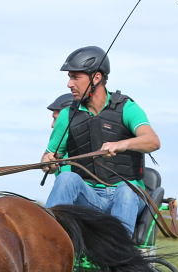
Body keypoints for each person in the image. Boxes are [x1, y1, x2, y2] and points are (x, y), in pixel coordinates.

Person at [41, 46, 161, 236]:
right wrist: (48, 163)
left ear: (96, 78)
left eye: (75, 77)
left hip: (126, 198)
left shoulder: (127, 108)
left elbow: (153, 141)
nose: (69, 84)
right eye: (69, 78)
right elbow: (50, 159)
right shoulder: (66, 116)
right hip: (90, 198)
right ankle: (46, 241)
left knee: (126, 190)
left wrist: (123, 144)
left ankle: (119, 258)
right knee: (66, 178)